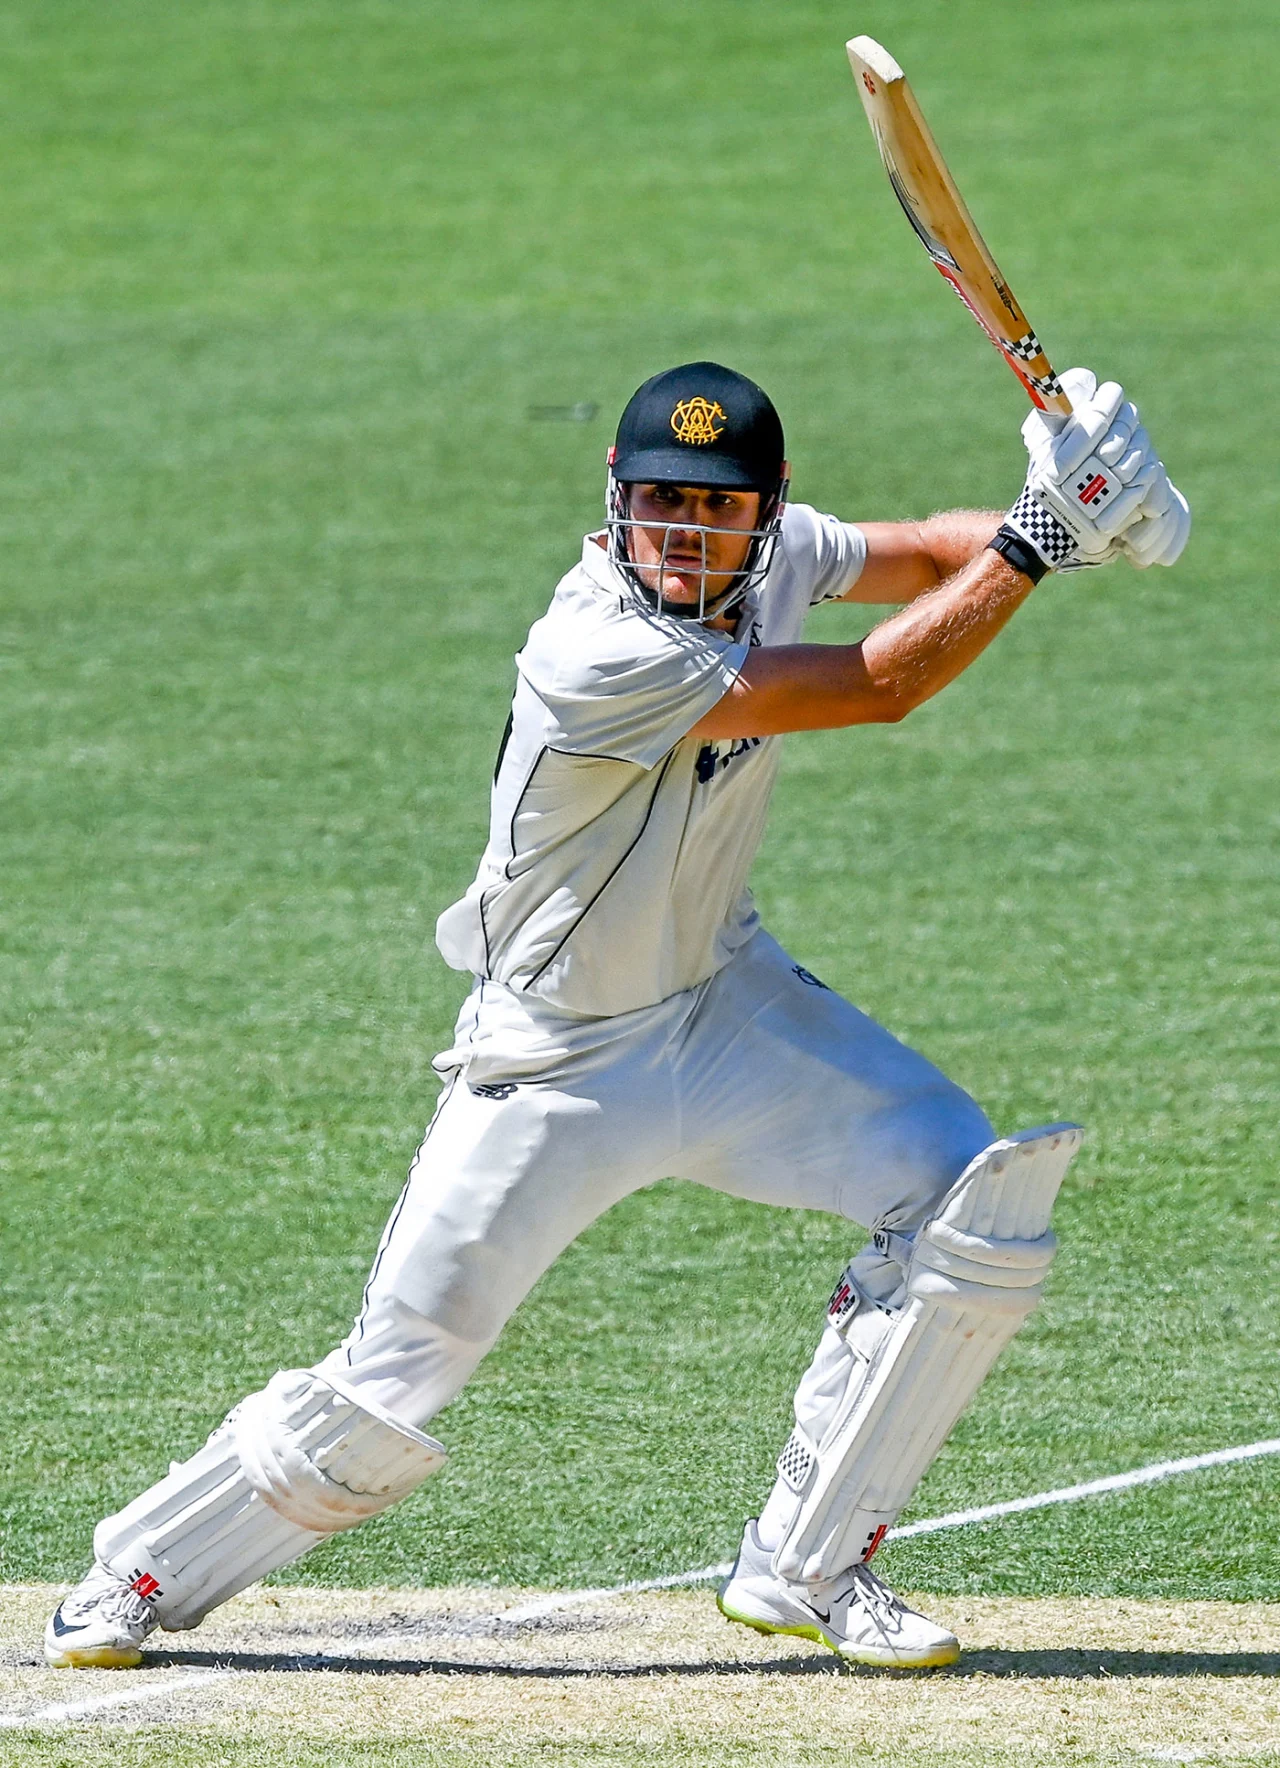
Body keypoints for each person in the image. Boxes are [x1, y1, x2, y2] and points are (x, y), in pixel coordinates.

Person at [45, 359, 1188, 1672]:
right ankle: (141, 1566)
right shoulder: (593, 646)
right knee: (391, 1389)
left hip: (720, 1010)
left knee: (965, 1184)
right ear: (614, 503)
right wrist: (1048, 534)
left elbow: (934, 557)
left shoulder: (773, 556)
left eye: (714, 508)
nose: (683, 532)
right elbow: (878, 684)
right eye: (657, 503)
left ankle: (811, 1565)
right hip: (556, 1063)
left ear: (768, 508)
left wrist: (1070, 514)